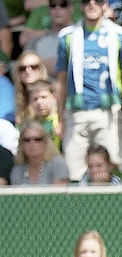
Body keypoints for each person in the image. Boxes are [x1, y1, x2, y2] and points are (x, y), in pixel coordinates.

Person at [57, 0, 122, 181]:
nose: (92, 4)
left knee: (113, 166)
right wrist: (59, 117)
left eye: (98, 0)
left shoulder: (118, 35)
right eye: (86, 0)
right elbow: (61, 81)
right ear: (80, 5)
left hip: (108, 112)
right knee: (74, 173)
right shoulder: (67, 36)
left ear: (105, 4)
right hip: (76, 113)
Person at [20, 0, 74, 77]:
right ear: (49, 9)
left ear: (71, 9)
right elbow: (23, 67)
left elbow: (71, 66)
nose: (57, 9)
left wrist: (36, 66)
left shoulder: (80, 37)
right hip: (38, 86)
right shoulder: (37, 40)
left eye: (63, 5)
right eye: (53, 5)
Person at [10, 120, 68, 185]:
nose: (32, 143)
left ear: (45, 142)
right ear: (21, 144)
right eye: (27, 140)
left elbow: (60, 194)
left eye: (37, 139)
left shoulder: (58, 163)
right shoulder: (17, 170)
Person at [14, 50, 49, 124]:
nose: (28, 71)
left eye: (33, 67)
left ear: (41, 70)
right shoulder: (18, 99)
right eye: (23, 68)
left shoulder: (51, 93)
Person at [29, 79, 61, 150]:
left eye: (43, 97)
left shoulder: (61, 121)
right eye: (35, 99)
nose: (39, 102)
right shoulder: (30, 126)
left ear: (54, 97)